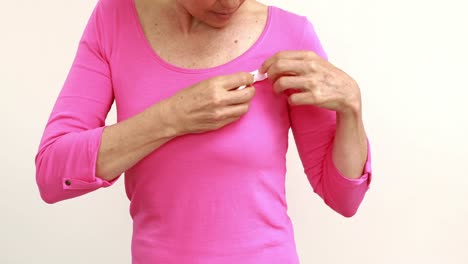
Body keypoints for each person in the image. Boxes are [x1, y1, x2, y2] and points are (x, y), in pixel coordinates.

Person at [35, 0, 372, 263]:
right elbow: (53, 173)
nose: (229, 4)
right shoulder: (114, 20)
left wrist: (351, 108)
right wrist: (172, 116)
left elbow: (344, 198)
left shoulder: (290, 35)